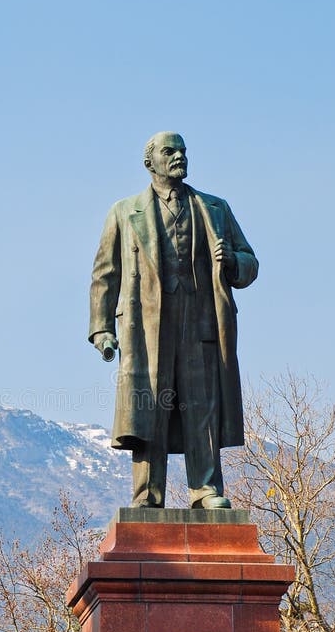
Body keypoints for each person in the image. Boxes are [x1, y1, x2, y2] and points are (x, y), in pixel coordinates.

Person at [89, 132, 258, 508]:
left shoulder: (214, 209)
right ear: (150, 162)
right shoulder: (123, 212)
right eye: (170, 151)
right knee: (149, 407)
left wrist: (232, 260)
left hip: (202, 324)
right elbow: (105, 274)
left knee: (202, 407)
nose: (179, 156)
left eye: (183, 150)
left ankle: (206, 490)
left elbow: (250, 265)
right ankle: (147, 496)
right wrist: (101, 328)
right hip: (146, 328)